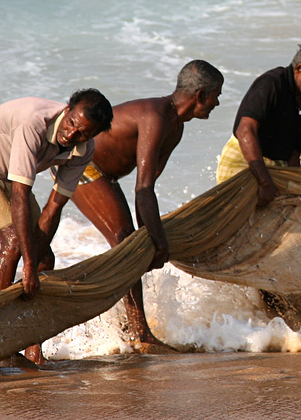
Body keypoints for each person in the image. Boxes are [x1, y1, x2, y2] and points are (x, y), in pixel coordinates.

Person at [67, 61, 224, 349]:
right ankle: (138, 332)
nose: (218, 102)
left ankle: (132, 328)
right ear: (200, 95)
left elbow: (146, 189)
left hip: (106, 175)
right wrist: (158, 242)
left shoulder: (176, 128)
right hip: (82, 165)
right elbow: (143, 189)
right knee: (124, 242)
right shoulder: (156, 117)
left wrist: (149, 237)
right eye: (216, 95)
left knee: (132, 240)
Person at [0, 90, 114, 350]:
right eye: (71, 123)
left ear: (93, 135)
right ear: (67, 108)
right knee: (15, 243)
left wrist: (34, 259)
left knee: (44, 258)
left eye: (83, 133)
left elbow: (54, 207)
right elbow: (20, 193)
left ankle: (31, 346)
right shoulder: (33, 124)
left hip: (12, 176)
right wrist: (27, 262)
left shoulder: (84, 150)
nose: (71, 135)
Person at [216, 43, 301, 207]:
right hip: (244, 158)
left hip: (278, 166)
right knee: (233, 216)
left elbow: (295, 154)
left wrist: (297, 185)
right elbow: (245, 131)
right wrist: (265, 182)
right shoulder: (271, 83)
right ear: (299, 69)